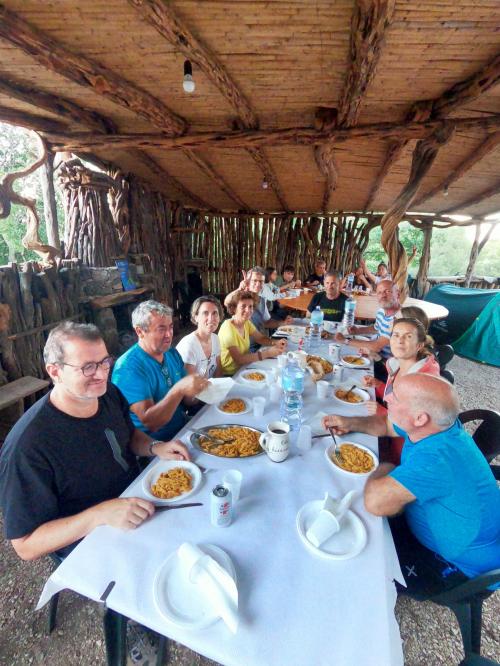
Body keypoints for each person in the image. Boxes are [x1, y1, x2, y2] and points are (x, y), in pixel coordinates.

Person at [0, 322, 190, 561]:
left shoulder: (108, 393)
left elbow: (129, 435)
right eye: (88, 367)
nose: (101, 374)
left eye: (104, 362)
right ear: (55, 371)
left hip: (137, 497)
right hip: (88, 540)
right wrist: (99, 515)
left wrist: (155, 447)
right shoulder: (27, 445)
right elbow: (25, 545)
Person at [323, 374, 500, 595]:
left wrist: (387, 465)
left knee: (345, 550)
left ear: (419, 418)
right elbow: (388, 424)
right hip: (456, 533)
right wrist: (350, 422)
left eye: (395, 396)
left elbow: (376, 502)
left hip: (458, 568)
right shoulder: (438, 425)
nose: (386, 397)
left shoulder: (436, 459)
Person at [112, 300, 209, 442]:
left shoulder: (171, 353)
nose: (169, 334)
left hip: (183, 428)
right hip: (155, 445)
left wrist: (201, 389)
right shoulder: (128, 368)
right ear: (140, 331)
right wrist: (179, 389)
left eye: (170, 327)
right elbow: (152, 424)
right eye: (161, 329)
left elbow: (188, 401)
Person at [363, 317, 440, 464]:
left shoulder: (424, 381)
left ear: (419, 345)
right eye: (396, 335)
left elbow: (422, 429)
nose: (400, 340)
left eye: (408, 336)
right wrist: (379, 385)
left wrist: (383, 414)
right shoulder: (399, 365)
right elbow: (395, 399)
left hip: (405, 455)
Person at [336, 280, 401, 376]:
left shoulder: (398, 319)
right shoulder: (382, 311)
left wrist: (345, 341)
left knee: (345, 371)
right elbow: (376, 328)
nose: (383, 295)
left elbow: (377, 346)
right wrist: (358, 331)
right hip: (375, 356)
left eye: (387, 291)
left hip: (388, 366)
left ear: (398, 294)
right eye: (379, 292)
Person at [218, 290, 287, 375]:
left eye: (250, 306)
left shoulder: (246, 322)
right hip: (231, 375)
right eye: (243, 306)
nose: (248, 310)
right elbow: (239, 359)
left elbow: (260, 338)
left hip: (245, 367)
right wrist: (267, 353)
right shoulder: (228, 329)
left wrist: (276, 342)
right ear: (234, 308)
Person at [224, 266, 293, 349]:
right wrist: (239, 289)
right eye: (254, 281)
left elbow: (266, 322)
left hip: (262, 342)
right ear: (248, 282)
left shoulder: (262, 300)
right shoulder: (241, 298)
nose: (258, 284)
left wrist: (282, 323)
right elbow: (227, 302)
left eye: (261, 281)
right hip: (246, 348)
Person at [176, 295, 223, 378]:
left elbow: (218, 372)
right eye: (205, 313)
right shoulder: (189, 345)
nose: (211, 318)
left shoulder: (216, 339)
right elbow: (189, 386)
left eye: (215, 313)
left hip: (210, 388)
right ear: (196, 317)